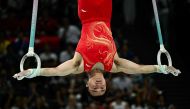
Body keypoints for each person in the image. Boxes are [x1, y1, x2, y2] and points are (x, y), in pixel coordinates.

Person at [13, 0, 181, 96]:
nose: (98, 85)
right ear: (107, 84)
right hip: (105, 13)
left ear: (87, 84)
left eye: (94, 88)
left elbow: (56, 71)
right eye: (102, 88)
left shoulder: (78, 66)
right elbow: (140, 69)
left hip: (87, 14)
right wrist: (163, 68)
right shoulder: (113, 65)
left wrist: (31, 72)